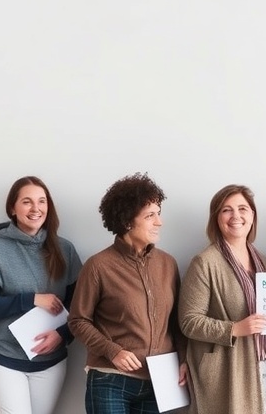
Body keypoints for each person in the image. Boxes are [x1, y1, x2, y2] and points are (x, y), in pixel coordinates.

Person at [68, 172, 187, 414]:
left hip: (159, 382)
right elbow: (78, 320)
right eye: (150, 215)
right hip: (111, 380)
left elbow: (176, 322)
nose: (159, 222)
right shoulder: (98, 265)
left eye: (159, 214)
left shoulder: (168, 264)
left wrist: (184, 359)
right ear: (127, 221)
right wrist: (113, 351)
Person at [0, 176, 82, 414]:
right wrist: (31, 299)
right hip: (4, 357)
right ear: (13, 208)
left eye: (42, 201)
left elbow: (80, 305)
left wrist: (62, 335)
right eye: (27, 202)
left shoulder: (65, 250)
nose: (36, 209)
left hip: (51, 360)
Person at [179, 184, 266, 414]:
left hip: (264, 364)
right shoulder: (204, 262)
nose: (236, 216)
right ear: (216, 218)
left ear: (253, 215)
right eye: (226, 210)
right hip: (227, 370)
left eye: (242, 208)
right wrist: (234, 329)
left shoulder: (265, 263)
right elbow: (188, 321)